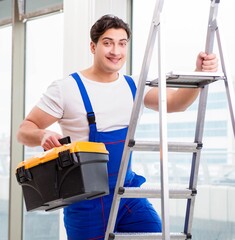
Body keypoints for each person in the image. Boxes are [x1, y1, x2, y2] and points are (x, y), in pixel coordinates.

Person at [17, 14, 218, 240]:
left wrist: (199, 73)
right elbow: (25, 130)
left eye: (122, 43)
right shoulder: (66, 89)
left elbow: (175, 103)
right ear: (93, 47)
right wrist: (42, 134)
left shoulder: (134, 86)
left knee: (157, 234)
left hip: (127, 192)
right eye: (107, 42)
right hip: (86, 202)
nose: (116, 51)